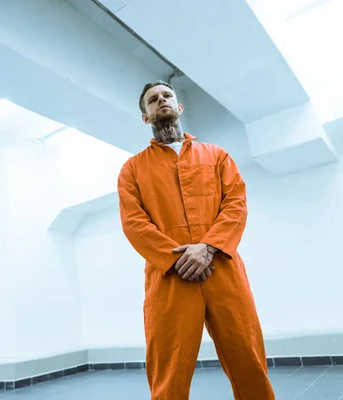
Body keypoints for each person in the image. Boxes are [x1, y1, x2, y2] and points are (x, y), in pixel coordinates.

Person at [117, 81, 276, 400]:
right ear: (146, 117)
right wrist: (176, 258)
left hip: (222, 268)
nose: (161, 100)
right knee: (168, 372)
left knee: (249, 360)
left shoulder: (216, 156)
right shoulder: (132, 169)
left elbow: (236, 203)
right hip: (169, 276)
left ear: (179, 107)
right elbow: (134, 223)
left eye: (167, 96)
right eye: (152, 100)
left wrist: (208, 247)